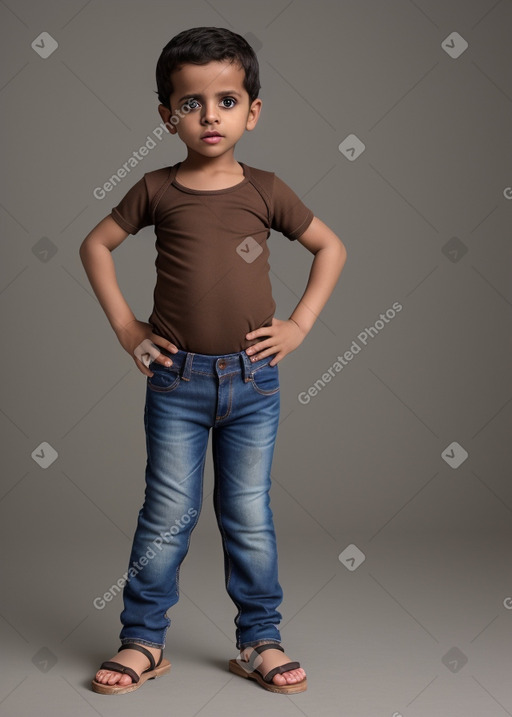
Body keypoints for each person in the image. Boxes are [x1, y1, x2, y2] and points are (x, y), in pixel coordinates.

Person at [80, 26, 346, 696]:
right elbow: (94, 245)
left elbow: (331, 248)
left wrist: (301, 325)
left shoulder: (265, 189)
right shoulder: (156, 188)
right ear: (167, 115)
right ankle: (142, 639)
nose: (208, 116)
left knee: (248, 513)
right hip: (177, 380)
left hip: (254, 382)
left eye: (225, 101)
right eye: (190, 103)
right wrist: (125, 327)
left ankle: (260, 638)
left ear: (252, 111)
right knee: (166, 513)